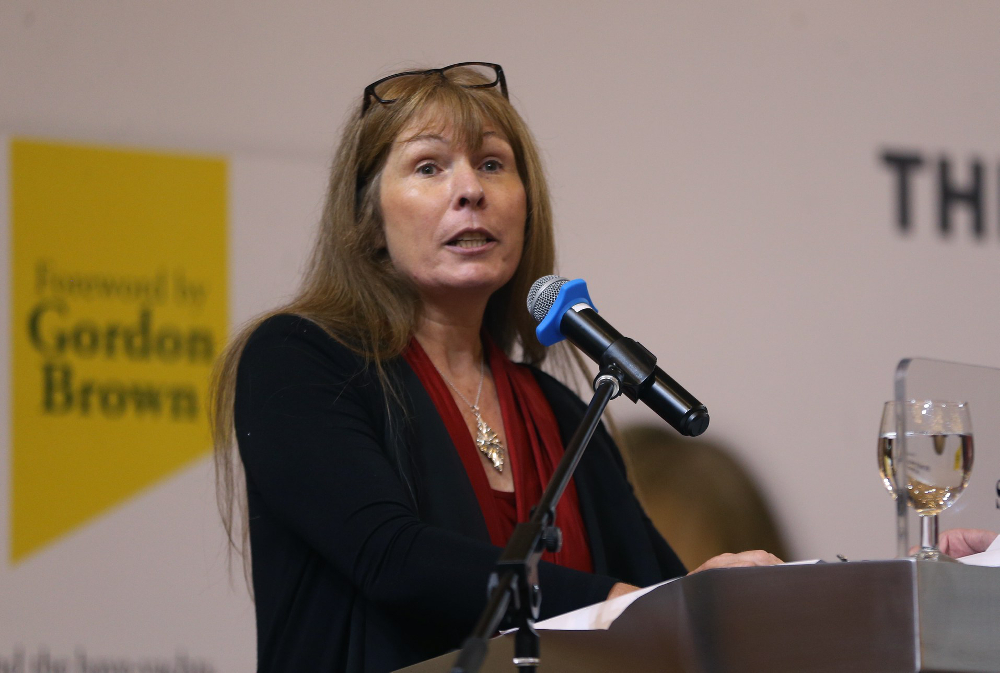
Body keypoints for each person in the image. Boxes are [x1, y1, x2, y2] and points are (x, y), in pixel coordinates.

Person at [210, 62, 780, 673]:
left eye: (491, 164)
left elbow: (658, 592)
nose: (470, 191)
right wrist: (613, 604)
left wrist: (719, 595)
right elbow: (392, 558)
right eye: (429, 167)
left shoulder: (562, 413)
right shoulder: (299, 359)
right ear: (369, 220)